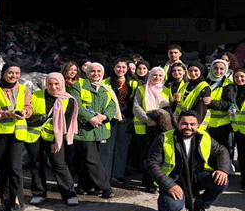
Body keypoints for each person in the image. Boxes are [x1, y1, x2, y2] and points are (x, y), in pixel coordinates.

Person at [145, 110, 230, 211]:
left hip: (195, 176)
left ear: (198, 125)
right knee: (173, 206)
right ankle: (164, 207)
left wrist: (223, 169)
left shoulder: (203, 136)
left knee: (221, 181)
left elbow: (221, 150)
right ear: (178, 123)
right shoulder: (164, 138)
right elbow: (152, 164)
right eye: (184, 124)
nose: (188, 127)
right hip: (173, 178)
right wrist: (169, 185)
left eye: (192, 124)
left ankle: (199, 206)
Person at [27, 73, 79, 206]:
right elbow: (28, 110)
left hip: (55, 138)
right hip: (34, 135)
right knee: (36, 164)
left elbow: (67, 123)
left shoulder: (69, 100)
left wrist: (57, 141)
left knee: (59, 164)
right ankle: (38, 193)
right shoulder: (36, 95)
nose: (53, 87)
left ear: (61, 83)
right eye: (50, 84)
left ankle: (69, 194)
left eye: (56, 84)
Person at [0, 62, 33, 211]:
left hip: (17, 133)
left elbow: (29, 106)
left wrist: (26, 112)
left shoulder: (24, 89)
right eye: (10, 73)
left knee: (15, 168)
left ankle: (17, 203)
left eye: (17, 73)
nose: (13, 76)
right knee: (2, 167)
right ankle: (6, 201)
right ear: (3, 73)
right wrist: (6, 114)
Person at [70, 62, 118, 198]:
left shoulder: (106, 88)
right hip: (84, 130)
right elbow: (76, 105)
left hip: (101, 130)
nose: (96, 74)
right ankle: (105, 187)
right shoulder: (78, 86)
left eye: (98, 71)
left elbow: (112, 106)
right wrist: (90, 118)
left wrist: (104, 117)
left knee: (90, 160)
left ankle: (83, 186)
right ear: (87, 73)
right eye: (92, 71)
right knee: (92, 160)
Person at [133, 67, 173, 192]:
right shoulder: (141, 89)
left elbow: (171, 107)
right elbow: (136, 107)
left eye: (160, 75)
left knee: (159, 156)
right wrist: (148, 120)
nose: (157, 77)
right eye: (155, 75)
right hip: (146, 126)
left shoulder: (167, 90)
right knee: (147, 155)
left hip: (161, 127)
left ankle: (157, 181)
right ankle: (148, 182)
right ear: (150, 75)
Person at [101, 58, 137, 186]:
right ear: (113, 68)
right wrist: (114, 113)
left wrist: (125, 114)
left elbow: (135, 102)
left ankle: (118, 175)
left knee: (122, 147)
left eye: (123, 67)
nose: (121, 69)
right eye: (118, 67)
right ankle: (105, 175)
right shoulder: (105, 82)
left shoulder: (133, 83)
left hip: (126, 117)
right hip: (110, 117)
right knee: (107, 148)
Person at [202, 59, 236, 161]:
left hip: (222, 124)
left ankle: (226, 167)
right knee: (209, 149)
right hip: (207, 123)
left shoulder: (228, 85)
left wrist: (212, 102)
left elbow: (228, 103)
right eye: (216, 68)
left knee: (224, 150)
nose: (218, 71)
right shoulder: (206, 82)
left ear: (226, 70)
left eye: (221, 69)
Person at [175, 61, 210, 125]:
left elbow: (201, 109)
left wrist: (196, 124)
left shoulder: (204, 87)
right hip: (182, 120)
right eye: (190, 71)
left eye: (196, 71)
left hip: (194, 122)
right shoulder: (186, 84)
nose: (193, 73)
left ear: (201, 71)